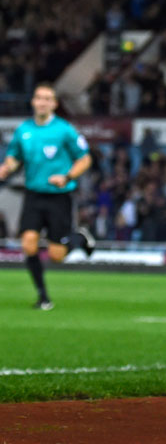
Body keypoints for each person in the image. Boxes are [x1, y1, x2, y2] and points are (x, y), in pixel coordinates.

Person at [0, 84, 95, 309]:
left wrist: (67, 176)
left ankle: (80, 238)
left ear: (54, 104)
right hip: (33, 194)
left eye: (47, 99)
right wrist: (7, 167)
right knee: (29, 245)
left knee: (57, 255)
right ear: (33, 102)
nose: (42, 102)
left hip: (58, 197)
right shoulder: (24, 130)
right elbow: (14, 156)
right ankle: (43, 297)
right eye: (39, 98)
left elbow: (85, 159)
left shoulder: (64, 130)